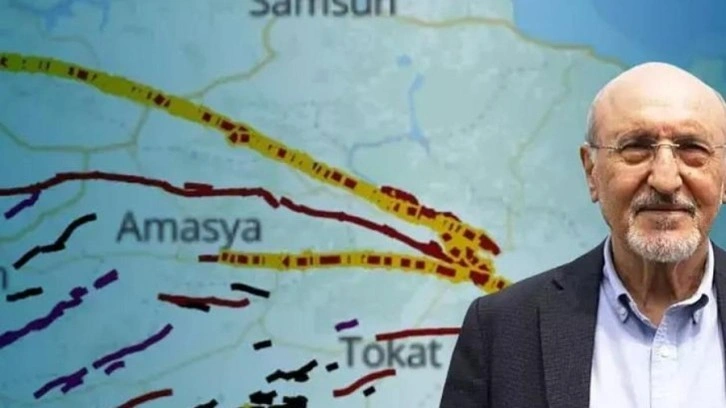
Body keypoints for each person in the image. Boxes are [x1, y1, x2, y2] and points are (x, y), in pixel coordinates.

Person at [439, 62, 726, 408]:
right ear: (591, 171)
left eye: (693, 149)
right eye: (636, 147)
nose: (665, 180)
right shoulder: (502, 329)